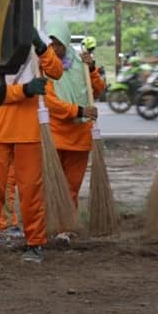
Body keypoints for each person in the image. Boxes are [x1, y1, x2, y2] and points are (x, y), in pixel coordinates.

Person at [0, 30, 63, 262]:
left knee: (30, 189)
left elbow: (56, 71)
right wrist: (26, 90)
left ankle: (35, 243)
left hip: (29, 131)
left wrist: (42, 47)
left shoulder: (37, 43)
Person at [43, 19, 106, 239]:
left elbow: (97, 91)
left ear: (66, 42)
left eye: (58, 43)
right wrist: (79, 111)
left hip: (80, 137)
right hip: (55, 135)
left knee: (72, 187)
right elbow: (50, 102)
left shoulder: (81, 64)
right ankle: (48, 224)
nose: (54, 48)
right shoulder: (45, 67)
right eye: (50, 44)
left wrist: (92, 69)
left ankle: (66, 228)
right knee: (51, 185)